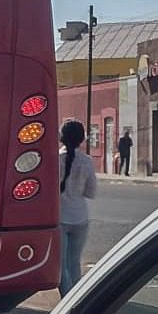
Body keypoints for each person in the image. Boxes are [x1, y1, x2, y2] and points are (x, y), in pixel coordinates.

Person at [58, 119, 97, 297]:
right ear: (82, 139)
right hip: (80, 217)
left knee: (61, 264)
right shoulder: (87, 161)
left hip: (59, 217)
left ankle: (67, 300)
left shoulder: (55, 159)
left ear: (61, 137)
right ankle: (77, 297)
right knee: (75, 262)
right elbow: (91, 192)